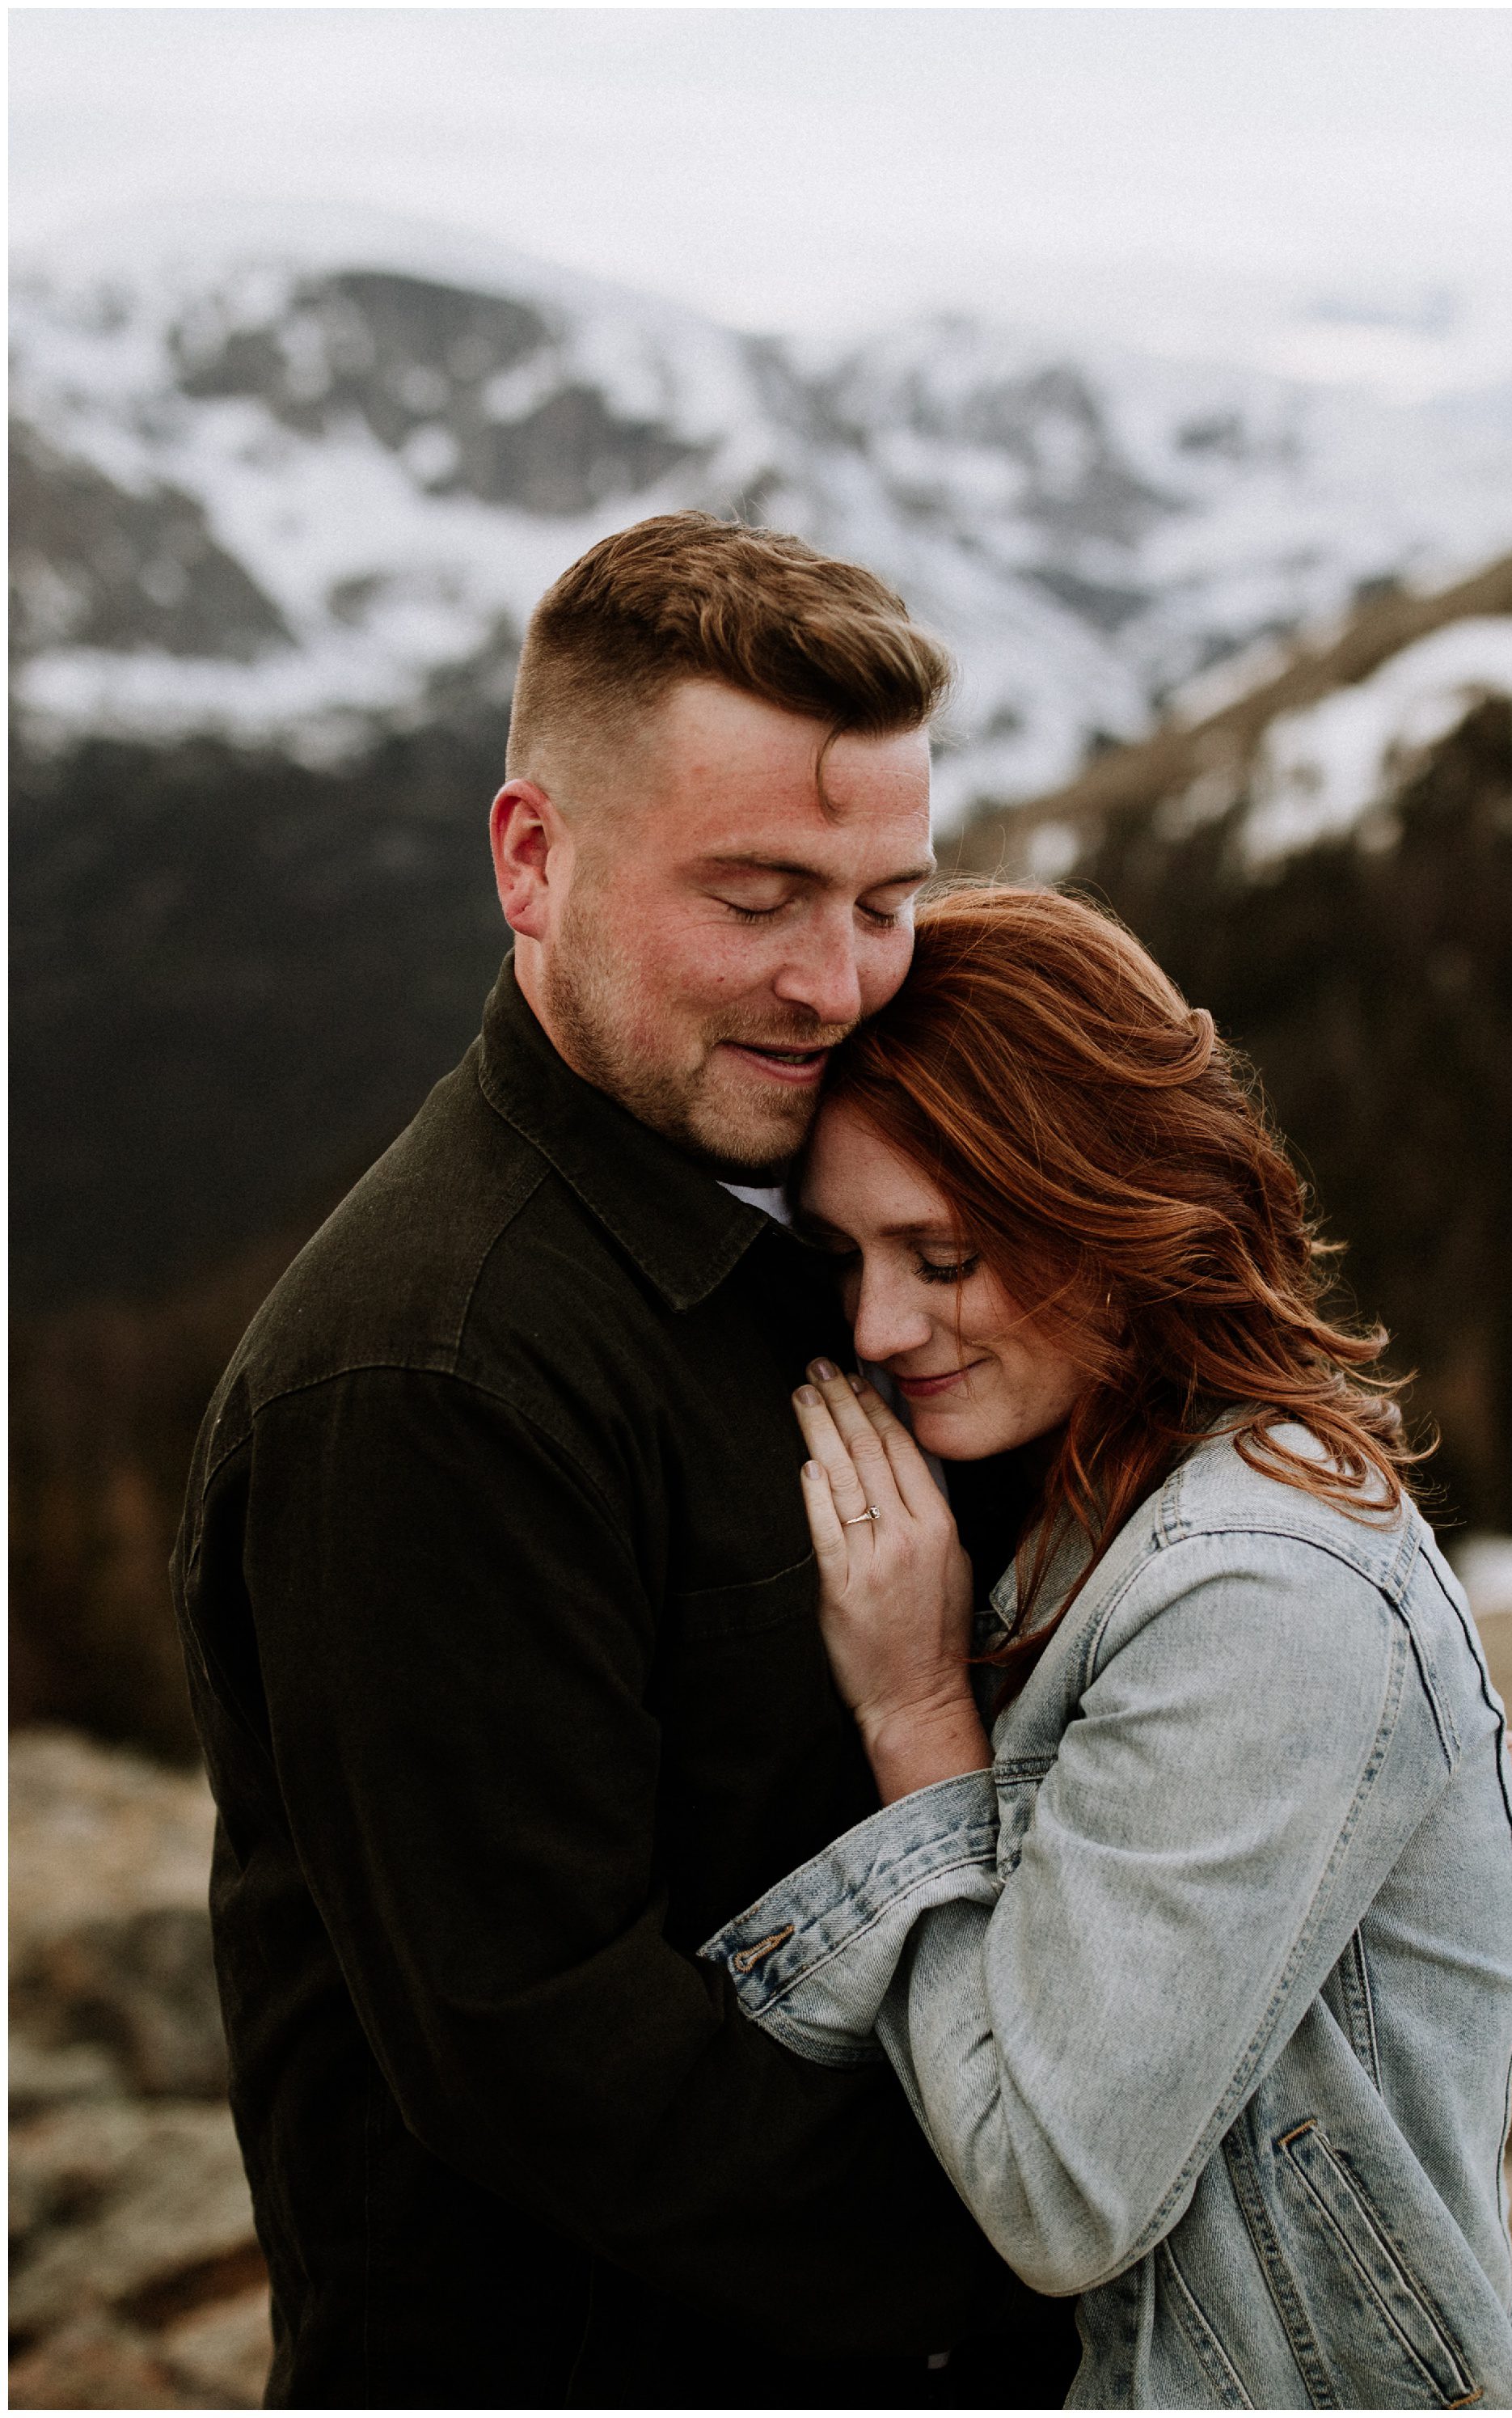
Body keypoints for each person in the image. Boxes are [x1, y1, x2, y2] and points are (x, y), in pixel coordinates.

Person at [171, 514, 1083, 2410]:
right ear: (532, 858)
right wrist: (1060, 2218)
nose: (835, 984)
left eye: (882, 898)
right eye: (754, 897)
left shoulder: (869, 1212)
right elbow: (559, 2066)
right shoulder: (426, 1377)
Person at [703, 884, 1512, 2410]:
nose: (881, 1327)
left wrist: (913, 1708)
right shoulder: (1089, 1494)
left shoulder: (1260, 1587)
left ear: (1113, 1212)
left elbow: (1050, 2189)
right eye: (845, 1256)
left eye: (944, 1256)